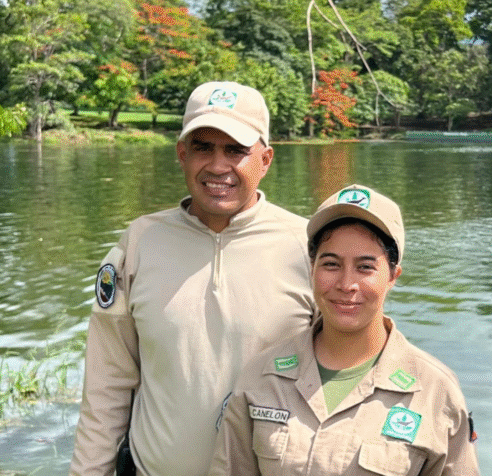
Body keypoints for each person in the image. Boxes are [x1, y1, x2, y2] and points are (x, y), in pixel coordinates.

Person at [70, 81, 316, 476]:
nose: (218, 166)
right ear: (182, 154)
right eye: (203, 147)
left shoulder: (309, 248)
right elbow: (106, 386)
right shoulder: (140, 242)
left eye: (236, 150)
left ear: (266, 159)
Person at [208, 184, 480, 476]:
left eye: (365, 267)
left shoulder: (435, 391)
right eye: (331, 264)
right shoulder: (262, 376)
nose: (346, 284)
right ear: (311, 269)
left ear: (393, 276)